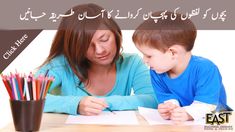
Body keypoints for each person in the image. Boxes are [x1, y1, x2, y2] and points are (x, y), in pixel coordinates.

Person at [36, 3, 157, 115]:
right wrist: (76, 104)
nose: (99, 50)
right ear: (75, 47)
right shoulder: (60, 65)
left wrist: (103, 103)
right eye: (86, 45)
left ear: (116, 34)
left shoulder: (132, 63)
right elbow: (27, 96)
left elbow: (152, 99)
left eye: (104, 39)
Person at [132, 11, 231, 122]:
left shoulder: (206, 69)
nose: (144, 60)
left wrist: (188, 113)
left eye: (149, 56)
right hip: (184, 124)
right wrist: (169, 107)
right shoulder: (156, 72)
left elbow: (207, 105)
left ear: (173, 53)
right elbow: (167, 97)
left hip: (216, 121)